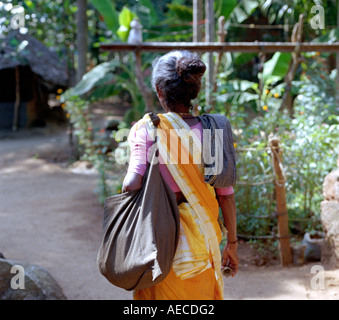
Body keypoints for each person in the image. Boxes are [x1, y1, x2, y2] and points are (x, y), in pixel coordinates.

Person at [122, 50, 238, 300]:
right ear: (195, 90)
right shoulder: (213, 131)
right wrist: (233, 244)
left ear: (159, 90)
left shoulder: (148, 130)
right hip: (203, 241)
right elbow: (226, 195)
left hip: (161, 244)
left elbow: (131, 184)